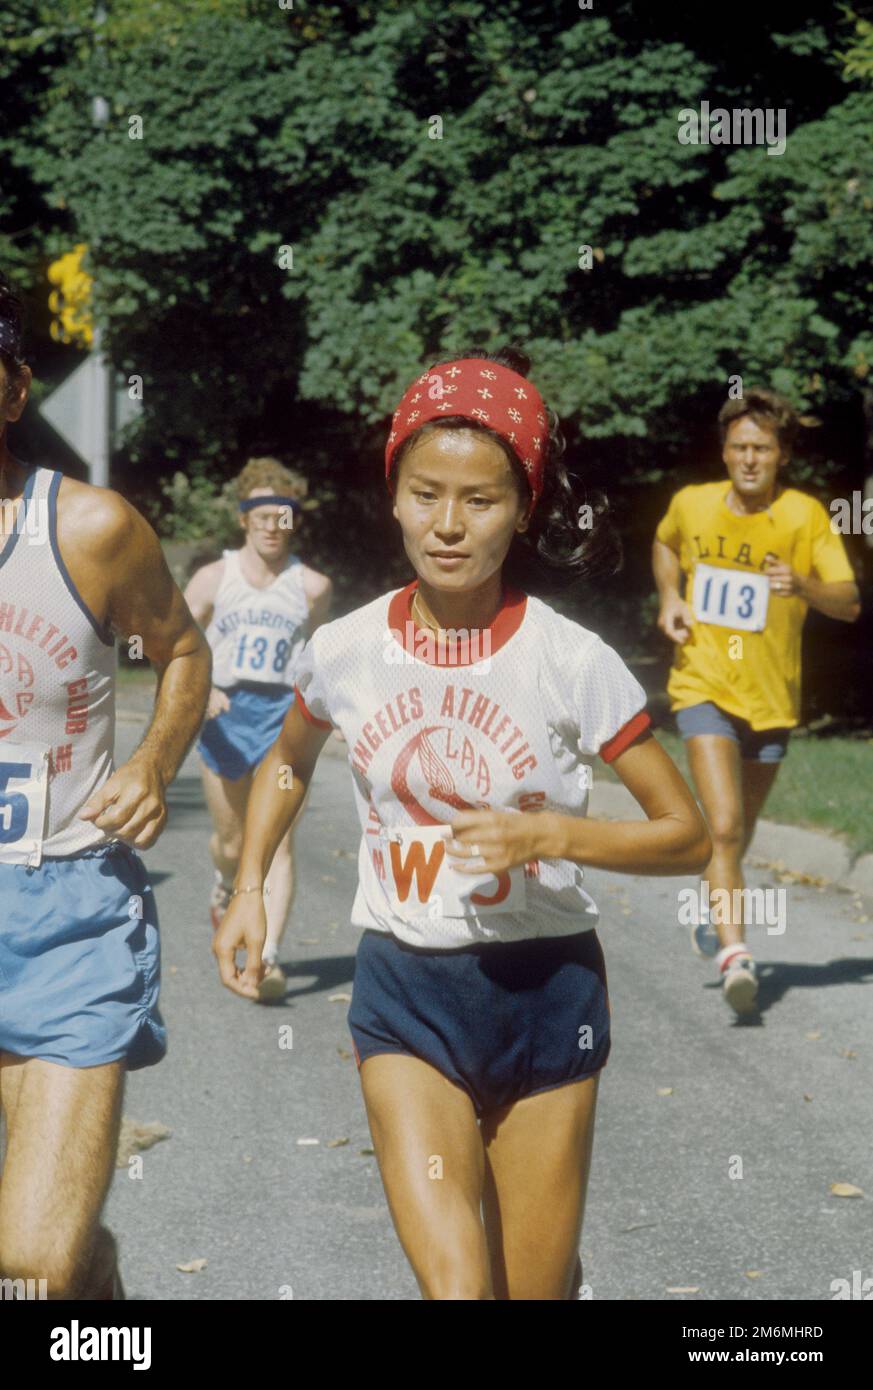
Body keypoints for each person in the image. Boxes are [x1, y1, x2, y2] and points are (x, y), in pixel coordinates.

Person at [213, 345, 711, 1300]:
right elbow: (287, 760)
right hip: (406, 995)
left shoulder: (572, 661)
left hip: (546, 995)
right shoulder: (344, 649)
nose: (447, 525)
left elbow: (685, 834)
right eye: (424, 493)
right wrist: (246, 888)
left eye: (479, 501)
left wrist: (551, 836)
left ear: (521, 509)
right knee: (457, 1291)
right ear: (393, 495)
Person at [0, 272, 211, 1298]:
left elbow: (181, 652)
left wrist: (152, 763)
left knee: (29, 1269)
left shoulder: (89, 530)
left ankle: (76, 1267)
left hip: (65, 909)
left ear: (12, 392)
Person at [653, 387, 860, 1015]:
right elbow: (664, 545)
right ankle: (736, 954)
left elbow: (848, 603)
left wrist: (800, 583)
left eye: (762, 449)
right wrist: (671, 599)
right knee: (723, 825)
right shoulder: (690, 505)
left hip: (772, 701)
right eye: (739, 447)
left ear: (781, 455)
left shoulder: (804, 517)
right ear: (724, 451)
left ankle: (711, 901)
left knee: (733, 839)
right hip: (703, 685)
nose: (749, 459)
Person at [184, 458, 332, 1001]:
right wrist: (203, 687)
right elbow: (176, 641)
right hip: (224, 716)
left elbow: (319, 656)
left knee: (275, 844)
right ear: (244, 519)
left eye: (284, 516)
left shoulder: (312, 587)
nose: (273, 525)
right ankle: (226, 885)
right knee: (231, 842)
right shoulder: (213, 578)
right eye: (262, 515)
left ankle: (264, 959)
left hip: (282, 718)